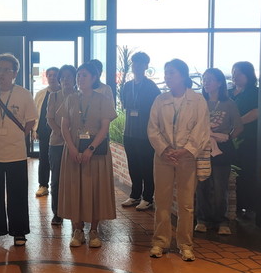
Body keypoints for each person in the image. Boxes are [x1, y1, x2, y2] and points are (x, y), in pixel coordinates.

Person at [148, 59, 210, 262]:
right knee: (162, 201)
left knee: (186, 203)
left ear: (183, 75)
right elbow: (153, 128)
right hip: (163, 157)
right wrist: (165, 149)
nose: (167, 76)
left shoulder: (198, 100)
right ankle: (160, 242)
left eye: (171, 73)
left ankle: (185, 244)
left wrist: (186, 150)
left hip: (187, 158)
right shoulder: (160, 100)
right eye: (166, 72)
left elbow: (201, 129)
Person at [0, 54, 37, 247]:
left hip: (16, 152)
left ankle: (19, 232)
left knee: (18, 193)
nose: (1, 74)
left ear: (15, 73)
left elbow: (30, 121)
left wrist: (17, 135)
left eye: (6, 70)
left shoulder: (24, 94)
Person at [58, 62, 117, 247]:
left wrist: (90, 149)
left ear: (94, 78)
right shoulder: (70, 98)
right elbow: (64, 126)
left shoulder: (103, 99)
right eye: (78, 75)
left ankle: (93, 231)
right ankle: (77, 230)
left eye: (84, 75)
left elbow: (105, 127)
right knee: (75, 188)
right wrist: (72, 148)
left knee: (95, 189)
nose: (80, 78)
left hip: (96, 151)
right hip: (74, 149)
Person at [194, 68, 243, 235]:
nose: (206, 82)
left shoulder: (229, 104)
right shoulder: (199, 102)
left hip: (222, 150)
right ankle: (202, 220)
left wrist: (227, 137)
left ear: (220, 83)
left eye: (210, 79)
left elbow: (238, 127)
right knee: (202, 185)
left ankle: (221, 221)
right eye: (204, 79)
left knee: (220, 186)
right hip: (202, 148)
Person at [119, 52, 161, 211]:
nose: (136, 66)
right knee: (133, 165)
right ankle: (135, 195)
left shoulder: (151, 87)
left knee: (146, 166)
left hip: (145, 134)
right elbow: (124, 104)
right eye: (134, 63)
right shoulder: (127, 86)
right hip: (129, 133)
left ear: (146, 66)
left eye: (140, 63)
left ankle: (148, 197)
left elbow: (156, 109)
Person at [46, 65, 77, 226]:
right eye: (63, 77)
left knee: (75, 179)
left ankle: (74, 211)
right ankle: (57, 213)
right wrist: (62, 133)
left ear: (75, 79)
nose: (65, 80)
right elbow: (50, 118)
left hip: (76, 143)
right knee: (57, 179)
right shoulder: (54, 96)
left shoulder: (80, 96)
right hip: (57, 142)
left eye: (69, 77)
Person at [229, 61, 259, 216]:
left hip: (247, 138)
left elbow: (256, 112)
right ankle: (235, 206)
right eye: (233, 72)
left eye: (239, 73)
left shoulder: (255, 92)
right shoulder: (229, 93)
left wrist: (237, 123)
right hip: (228, 138)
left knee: (247, 172)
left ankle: (248, 206)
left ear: (248, 74)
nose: (235, 76)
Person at [33, 67, 60, 198]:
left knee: (59, 159)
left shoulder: (64, 93)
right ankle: (43, 185)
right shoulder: (41, 94)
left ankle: (59, 185)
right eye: (50, 75)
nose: (52, 78)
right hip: (44, 131)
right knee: (43, 158)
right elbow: (35, 113)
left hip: (61, 132)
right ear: (47, 77)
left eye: (55, 75)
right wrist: (35, 130)